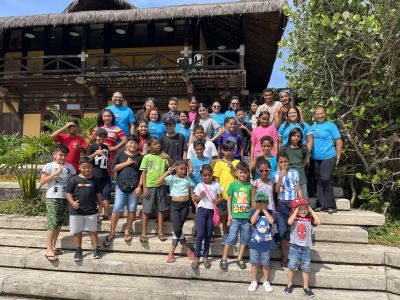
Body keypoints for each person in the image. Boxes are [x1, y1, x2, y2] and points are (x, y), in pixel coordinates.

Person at [103, 135, 143, 247]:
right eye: (131, 143)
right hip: (121, 187)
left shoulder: (140, 157)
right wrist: (126, 163)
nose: (133, 145)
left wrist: (140, 186)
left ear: (138, 145)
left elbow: (143, 173)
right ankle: (112, 231)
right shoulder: (120, 154)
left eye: (135, 143)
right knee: (116, 209)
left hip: (134, 188)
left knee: (132, 209)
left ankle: (127, 230)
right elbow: (113, 169)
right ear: (127, 144)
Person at [40, 144, 76, 261]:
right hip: (52, 197)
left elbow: (74, 181)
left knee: (59, 223)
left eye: (65, 155)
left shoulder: (70, 167)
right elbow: (42, 182)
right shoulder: (49, 166)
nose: (63, 158)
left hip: (64, 198)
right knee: (52, 223)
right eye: (61, 155)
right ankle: (49, 249)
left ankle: (54, 246)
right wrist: (56, 173)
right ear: (54, 155)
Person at [157, 160, 196, 263]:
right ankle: (185, 249)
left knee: (178, 230)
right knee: (177, 229)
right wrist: (167, 172)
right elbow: (158, 182)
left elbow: (192, 194)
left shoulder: (188, 178)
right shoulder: (172, 178)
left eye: (185, 169)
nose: (183, 171)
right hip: (174, 206)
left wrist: (197, 206)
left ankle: (172, 253)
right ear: (176, 169)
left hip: (185, 206)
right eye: (181, 169)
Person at [66, 156, 103, 261]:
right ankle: (78, 250)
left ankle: (96, 249)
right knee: (77, 231)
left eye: (89, 167)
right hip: (76, 211)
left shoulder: (95, 180)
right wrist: (72, 203)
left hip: (91, 210)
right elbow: (68, 193)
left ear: (92, 168)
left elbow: (99, 193)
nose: (86, 169)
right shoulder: (74, 179)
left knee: (93, 231)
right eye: (84, 167)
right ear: (79, 167)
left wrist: (100, 205)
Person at [309, 106, 342, 214]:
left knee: (325, 179)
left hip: (329, 156)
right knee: (318, 181)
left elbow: (338, 141)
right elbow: (308, 142)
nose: (319, 115)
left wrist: (338, 156)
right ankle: (320, 205)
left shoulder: (331, 126)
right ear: (314, 116)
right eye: (317, 114)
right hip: (315, 158)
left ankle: (331, 206)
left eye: (321, 113)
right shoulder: (311, 127)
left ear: (325, 114)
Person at [285, 198, 321, 297]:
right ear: (295, 210)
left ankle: (306, 287)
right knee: (292, 266)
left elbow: (318, 222)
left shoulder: (309, 219)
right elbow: (289, 222)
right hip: (294, 247)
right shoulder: (294, 218)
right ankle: (289, 284)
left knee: (306, 268)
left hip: (305, 249)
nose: (303, 211)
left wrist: (311, 210)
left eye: (305, 208)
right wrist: (296, 210)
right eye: (300, 209)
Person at [220, 162, 252, 270]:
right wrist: (229, 215)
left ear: (248, 174)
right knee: (231, 237)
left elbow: (252, 201)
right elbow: (229, 201)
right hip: (235, 218)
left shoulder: (250, 186)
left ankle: (239, 258)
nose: (243, 174)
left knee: (244, 239)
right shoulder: (233, 185)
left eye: (245, 172)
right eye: (241, 172)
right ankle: (224, 258)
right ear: (236, 173)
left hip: (246, 218)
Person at [191, 164, 223, 269]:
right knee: (200, 234)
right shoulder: (200, 185)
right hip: (202, 210)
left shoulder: (216, 185)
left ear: (212, 175)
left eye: (209, 175)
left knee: (208, 234)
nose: (207, 177)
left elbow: (221, 198)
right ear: (201, 175)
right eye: (204, 175)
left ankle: (205, 256)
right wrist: (200, 196)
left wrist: (216, 200)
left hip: (211, 211)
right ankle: (197, 257)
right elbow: (194, 199)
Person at [274, 152, 303, 267]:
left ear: (289, 161)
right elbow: (276, 191)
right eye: (281, 162)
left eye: (285, 161)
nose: (284, 164)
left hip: (294, 204)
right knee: (282, 231)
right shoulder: (276, 174)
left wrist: (302, 203)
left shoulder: (294, 172)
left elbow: (298, 188)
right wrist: (281, 176)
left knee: (296, 231)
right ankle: (284, 257)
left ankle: (297, 258)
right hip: (282, 204)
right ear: (278, 163)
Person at [139, 137, 170, 242]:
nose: (158, 145)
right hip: (150, 187)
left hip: (161, 187)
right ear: (149, 146)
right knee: (146, 210)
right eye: (155, 144)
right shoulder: (146, 157)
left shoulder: (163, 157)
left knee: (160, 210)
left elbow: (171, 168)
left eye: (158, 144)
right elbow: (144, 172)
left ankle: (160, 232)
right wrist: (144, 188)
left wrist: (168, 158)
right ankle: (143, 232)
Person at [247, 191, 276, 293]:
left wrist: (264, 210)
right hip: (254, 243)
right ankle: (254, 281)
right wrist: (257, 210)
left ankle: (266, 281)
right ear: (255, 203)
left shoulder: (271, 212)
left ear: (267, 203)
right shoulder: (252, 212)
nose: (261, 203)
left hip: (266, 243)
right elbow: (252, 221)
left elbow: (272, 221)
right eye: (258, 202)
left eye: (263, 202)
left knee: (266, 263)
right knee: (254, 263)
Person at [213, 140, 240, 237]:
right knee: (224, 215)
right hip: (224, 193)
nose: (228, 152)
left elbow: (241, 176)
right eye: (226, 150)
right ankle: (225, 233)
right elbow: (217, 178)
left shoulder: (237, 162)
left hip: (235, 194)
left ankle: (234, 234)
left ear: (234, 150)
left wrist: (234, 169)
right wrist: (218, 192)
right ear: (222, 151)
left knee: (235, 215)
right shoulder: (219, 163)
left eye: (230, 150)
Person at [87, 128, 112, 220]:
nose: (103, 138)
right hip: (95, 174)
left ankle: (106, 213)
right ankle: (96, 212)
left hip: (105, 174)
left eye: (104, 137)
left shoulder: (106, 147)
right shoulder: (92, 146)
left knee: (106, 193)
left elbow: (107, 160)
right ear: (96, 136)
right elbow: (87, 159)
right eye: (101, 136)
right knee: (95, 194)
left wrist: (111, 170)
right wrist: (96, 153)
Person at [281, 128, 309, 200]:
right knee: (290, 197)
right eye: (294, 135)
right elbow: (281, 161)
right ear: (290, 136)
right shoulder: (284, 148)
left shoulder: (303, 148)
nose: (296, 138)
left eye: (298, 136)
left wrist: (301, 167)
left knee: (304, 196)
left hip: (301, 176)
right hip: (288, 175)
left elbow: (306, 159)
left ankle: (306, 210)